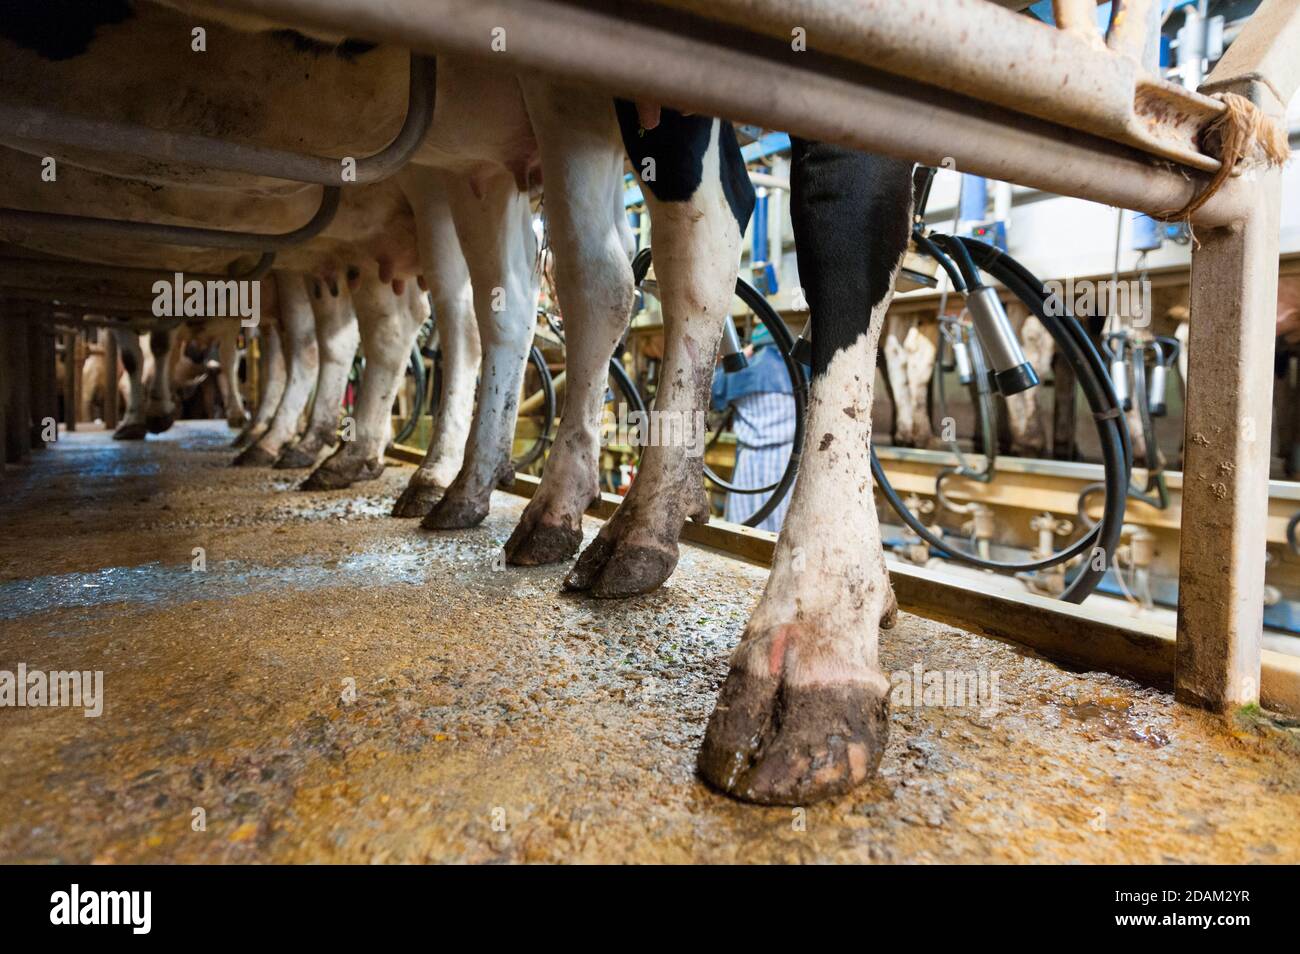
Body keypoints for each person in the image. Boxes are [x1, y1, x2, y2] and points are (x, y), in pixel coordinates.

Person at [710, 323, 797, 531]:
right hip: (787, 464)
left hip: (748, 467)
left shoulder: (740, 371)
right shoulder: (800, 370)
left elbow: (710, 394)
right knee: (782, 533)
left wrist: (741, 356)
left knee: (743, 531)